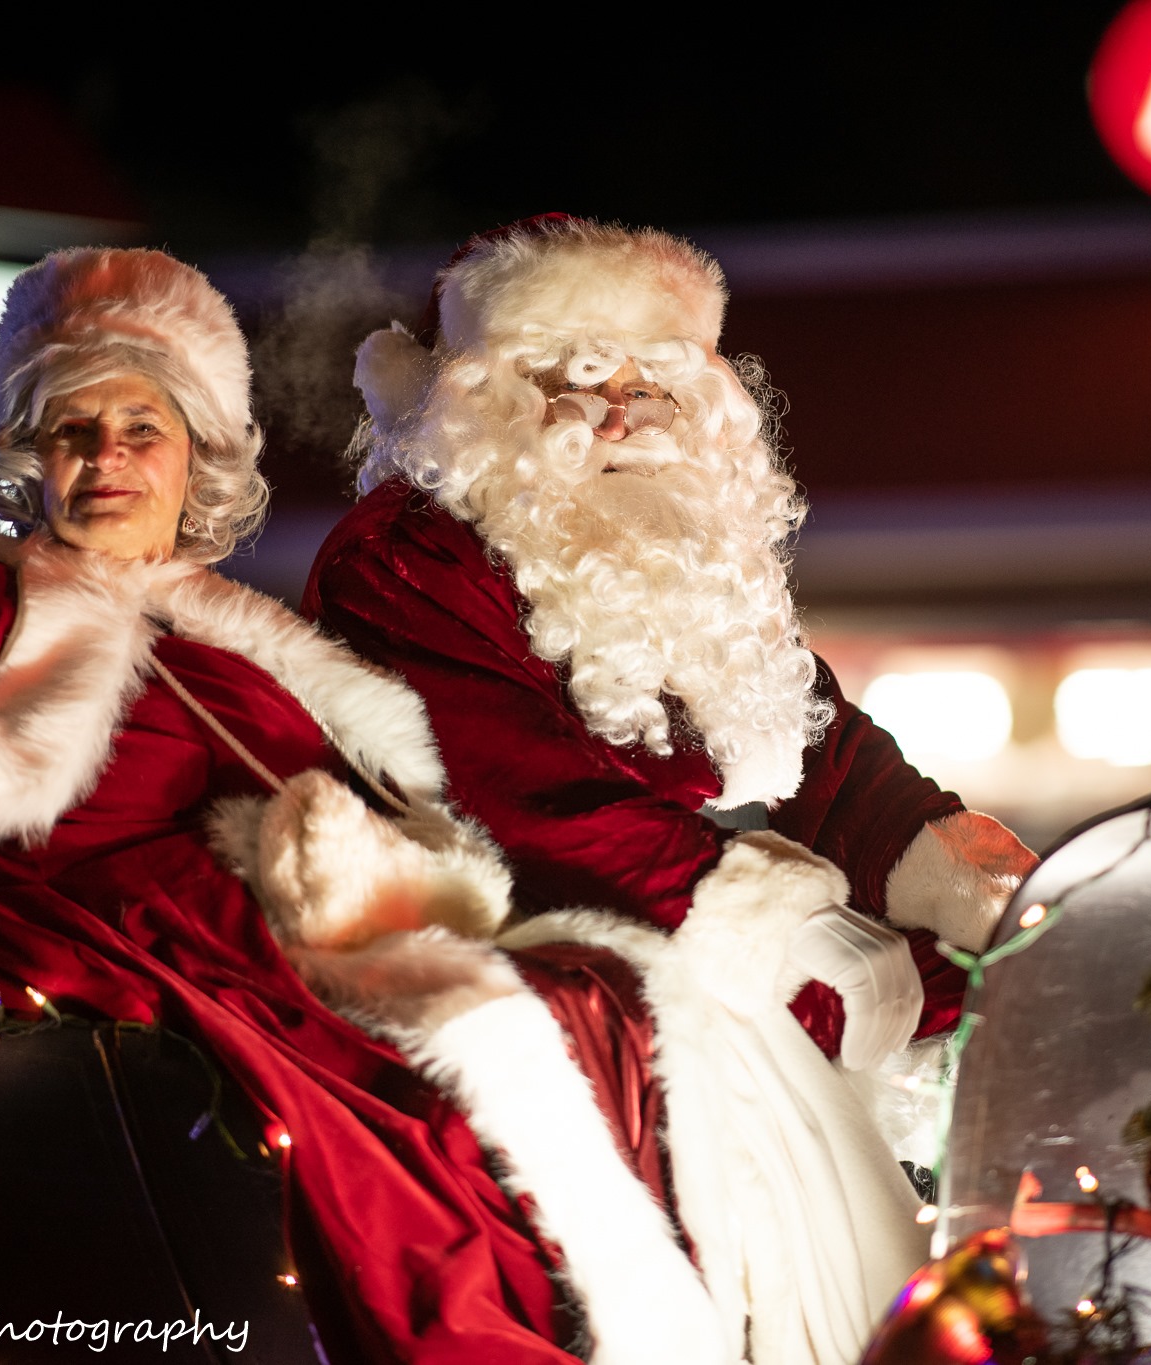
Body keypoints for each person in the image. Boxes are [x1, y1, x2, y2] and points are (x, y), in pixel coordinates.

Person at [0, 248, 920, 1365]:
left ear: (195, 455)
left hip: (310, 929)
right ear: (25, 457)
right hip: (121, 942)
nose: (105, 457)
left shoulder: (238, 632)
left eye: (139, 427)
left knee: (604, 1001)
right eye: (70, 430)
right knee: (404, 1106)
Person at [308, 215, 1039, 1061]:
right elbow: (537, 810)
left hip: (718, 996)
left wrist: (975, 883)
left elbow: (826, 757)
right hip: (541, 1020)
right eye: (574, 388)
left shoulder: (684, 560)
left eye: (648, 389)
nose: (618, 424)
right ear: (482, 400)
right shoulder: (407, 556)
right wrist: (789, 936)